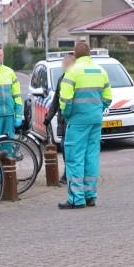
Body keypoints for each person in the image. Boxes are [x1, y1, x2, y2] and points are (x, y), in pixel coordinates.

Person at [57, 42, 110, 209]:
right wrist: (97, 110)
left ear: (75, 54)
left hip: (78, 121)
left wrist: (68, 115)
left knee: (74, 159)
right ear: (89, 54)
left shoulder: (72, 72)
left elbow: (65, 101)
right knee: (91, 157)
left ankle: (76, 199)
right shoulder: (101, 71)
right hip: (95, 120)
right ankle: (90, 196)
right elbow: (108, 97)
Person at [44, 53, 74, 184]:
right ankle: (68, 174)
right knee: (65, 147)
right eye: (64, 64)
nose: (65, 66)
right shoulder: (62, 79)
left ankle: (70, 175)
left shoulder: (76, 79)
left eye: (68, 64)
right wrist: (48, 117)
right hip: (64, 120)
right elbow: (56, 101)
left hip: (72, 120)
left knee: (70, 148)